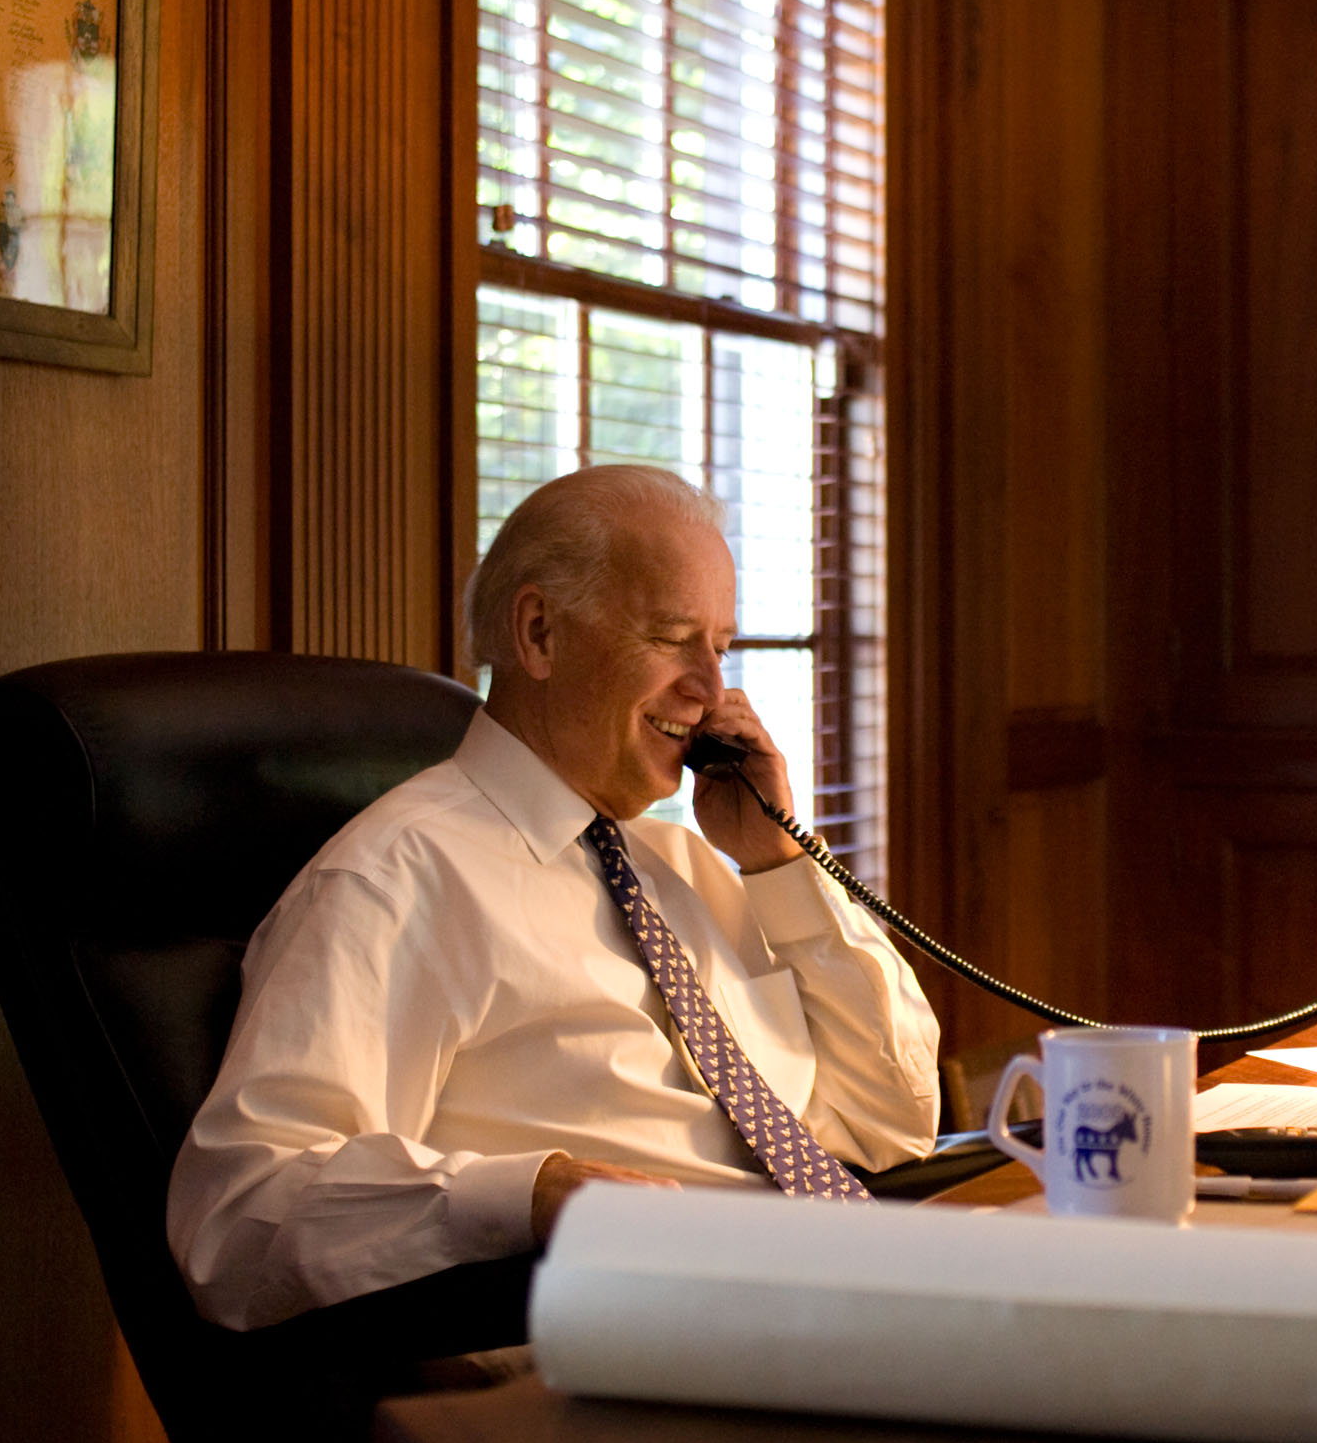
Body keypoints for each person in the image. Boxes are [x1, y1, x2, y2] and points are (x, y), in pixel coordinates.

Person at [167, 463, 943, 1351]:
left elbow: (894, 1118)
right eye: (673, 638)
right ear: (538, 635)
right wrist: (528, 1197)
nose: (712, 689)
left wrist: (777, 859)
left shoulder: (689, 863)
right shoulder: (397, 878)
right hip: (643, 1358)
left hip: (828, 1300)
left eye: (721, 647)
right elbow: (237, 1218)